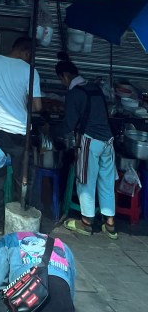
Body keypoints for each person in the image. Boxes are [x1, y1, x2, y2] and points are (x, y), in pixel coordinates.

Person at [0, 35, 42, 234]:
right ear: (26, 52)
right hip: (19, 131)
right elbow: (37, 106)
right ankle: (18, 219)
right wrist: (22, 104)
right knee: (22, 176)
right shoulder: (30, 71)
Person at [55, 54, 118, 239]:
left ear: (65, 76)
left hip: (90, 141)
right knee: (106, 182)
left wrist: (51, 132)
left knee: (85, 180)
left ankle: (85, 223)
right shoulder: (95, 89)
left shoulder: (74, 93)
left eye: (61, 79)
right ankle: (110, 224)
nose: (62, 83)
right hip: (108, 141)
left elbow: (69, 124)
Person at [0, 231, 76, 312]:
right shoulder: (63, 246)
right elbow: (70, 290)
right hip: (64, 305)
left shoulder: (8, 240)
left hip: (30, 302)